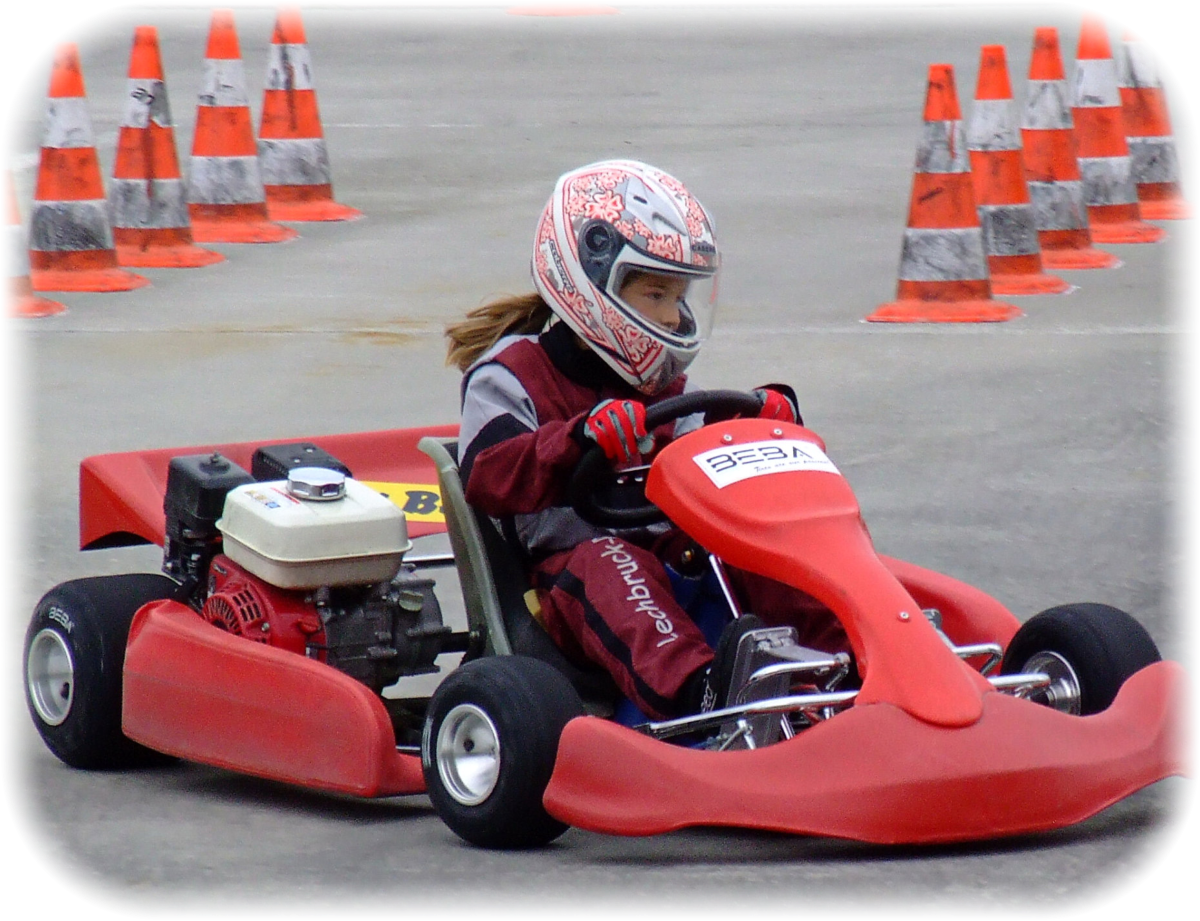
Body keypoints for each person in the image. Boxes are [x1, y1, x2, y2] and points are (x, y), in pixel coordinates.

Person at [445, 159, 847, 721]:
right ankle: (702, 697)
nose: (674, 317)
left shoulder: (664, 388)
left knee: (764, 542)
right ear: (591, 283)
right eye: (656, 295)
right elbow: (490, 473)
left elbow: (702, 459)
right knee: (611, 564)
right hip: (566, 581)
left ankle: (849, 663)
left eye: (678, 298)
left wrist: (754, 425)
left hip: (667, 554)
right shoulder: (510, 375)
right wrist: (577, 440)